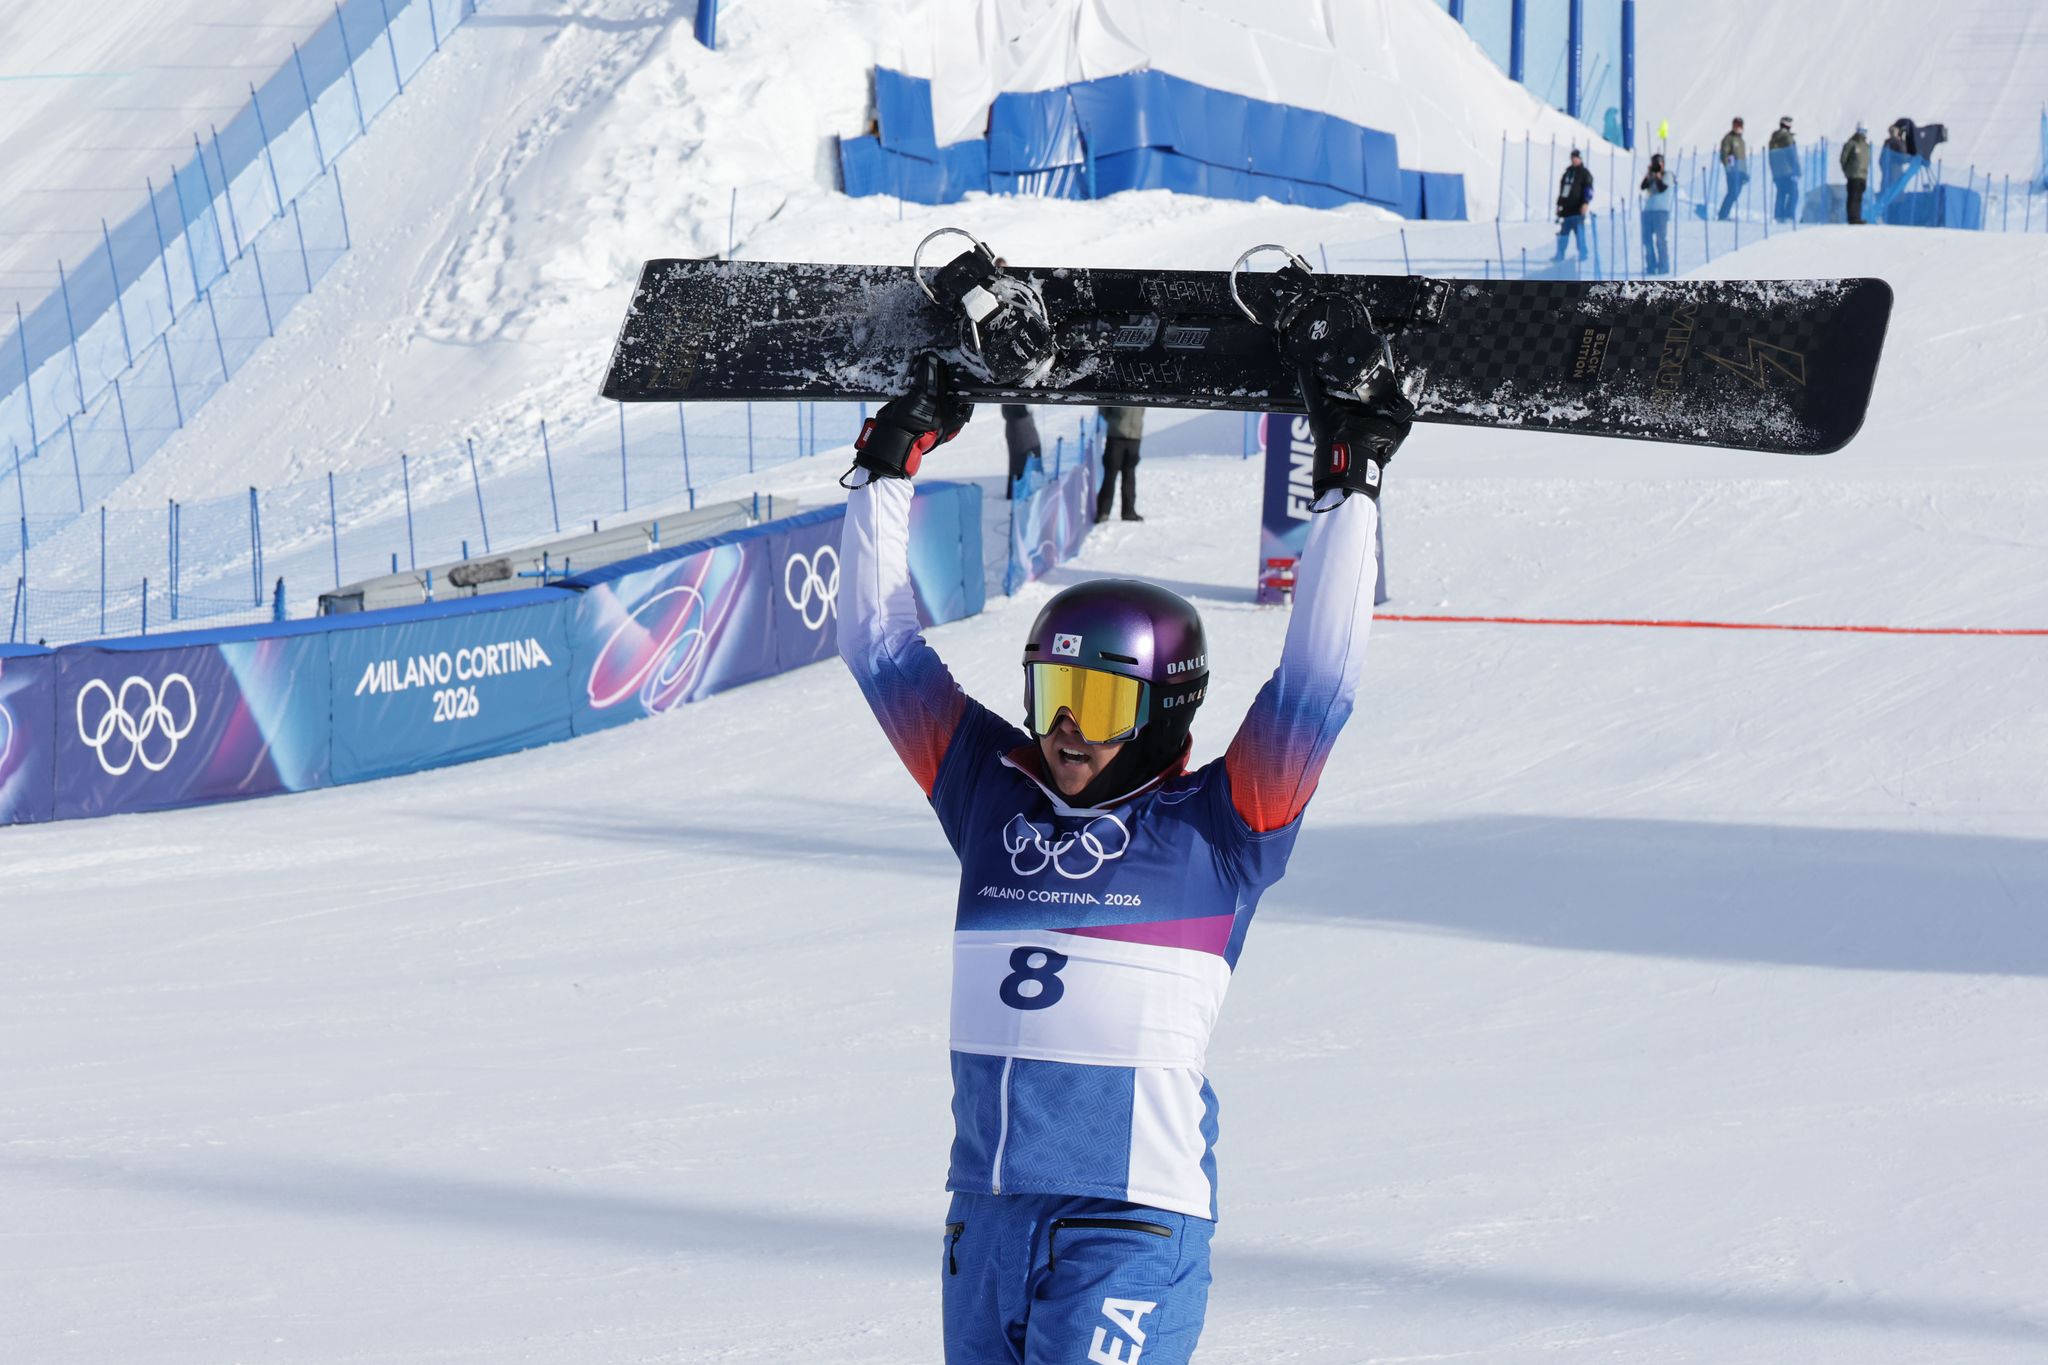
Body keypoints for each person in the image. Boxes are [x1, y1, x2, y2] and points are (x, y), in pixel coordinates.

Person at [835, 312, 1408, 1363]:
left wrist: (1350, 486)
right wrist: (886, 462)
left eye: (1096, 706)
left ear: (1162, 714)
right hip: (985, 1218)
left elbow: (1317, 686)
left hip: (1127, 1222)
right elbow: (873, 647)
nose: (1061, 731)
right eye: (1050, 694)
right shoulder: (990, 798)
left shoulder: (1221, 830)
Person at [1097, 405, 1144, 521]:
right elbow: (1103, 406)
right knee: (1110, 475)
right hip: (1115, 436)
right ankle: (1103, 512)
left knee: (1130, 475)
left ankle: (1128, 512)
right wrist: (1114, 421)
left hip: (1134, 437)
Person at [1552, 148, 1593, 263]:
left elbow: (1588, 189)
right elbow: (1562, 191)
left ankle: (1583, 254)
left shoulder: (1584, 173)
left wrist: (1585, 203)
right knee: (1563, 234)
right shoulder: (1567, 173)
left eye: (1576, 157)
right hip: (1566, 210)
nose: (1574, 160)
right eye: (1572, 157)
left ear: (1580, 158)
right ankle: (1560, 254)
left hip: (1578, 210)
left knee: (1580, 234)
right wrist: (1559, 204)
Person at [1639, 152, 1673, 274]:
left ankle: (1664, 267)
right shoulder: (1651, 176)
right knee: (1647, 240)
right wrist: (1649, 175)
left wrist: (1658, 177)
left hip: (1661, 211)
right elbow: (1643, 186)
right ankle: (1651, 267)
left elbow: (1662, 188)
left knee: (1660, 240)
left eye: (1659, 163)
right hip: (1648, 211)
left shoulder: (1668, 175)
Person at [1000, 404, 1041, 497]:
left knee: (1027, 459)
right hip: (1017, 423)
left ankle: (1022, 491)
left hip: (1023, 422)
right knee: (1018, 463)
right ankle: (1017, 493)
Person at [1767, 116, 1800, 223]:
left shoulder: (1773, 139)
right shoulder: (1787, 138)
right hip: (1789, 171)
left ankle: (1778, 216)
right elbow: (1792, 155)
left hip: (1777, 172)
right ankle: (1789, 216)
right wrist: (1797, 170)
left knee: (1781, 193)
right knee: (1793, 193)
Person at [1840, 122, 1873, 225]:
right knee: (1853, 196)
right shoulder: (1851, 144)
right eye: (1861, 131)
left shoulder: (1866, 146)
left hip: (1863, 175)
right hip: (1853, 175)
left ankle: (1857, 217)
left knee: (1859, 197)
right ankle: (1852, 218)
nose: (1863, 133)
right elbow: (1843, 159)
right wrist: (1847, 171)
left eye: (1864, 131)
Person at [1717, 117, 1748, 220]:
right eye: (1737, 126)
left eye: (1740, 126)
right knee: (1732, 192)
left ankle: (1725, 214)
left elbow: (1742, 157)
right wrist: (1728, 167)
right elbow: (1724, 154)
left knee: (1736, 193)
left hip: (1740, 171)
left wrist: (1744, 172)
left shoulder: (1741, 140)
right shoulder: (1729, 139)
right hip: (1732, 171)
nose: (1739, 128)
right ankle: (1723, 215)